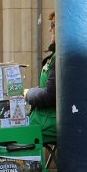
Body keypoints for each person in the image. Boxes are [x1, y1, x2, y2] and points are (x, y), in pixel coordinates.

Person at [25, 12, 57, 144]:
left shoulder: (61, 57)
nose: (50, 29)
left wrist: (28, 93)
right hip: (43, 118)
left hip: (50, 122)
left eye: (53, 25)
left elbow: (51, 95)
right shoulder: (56, 55)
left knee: (13, 136)